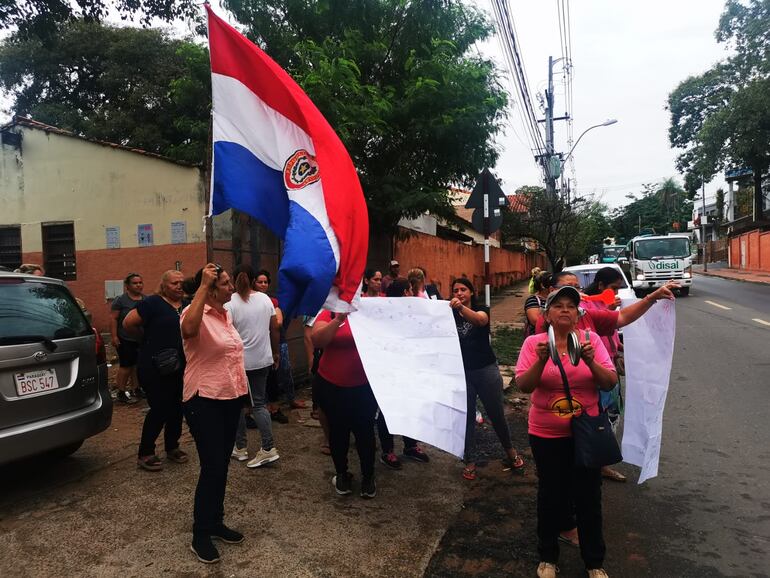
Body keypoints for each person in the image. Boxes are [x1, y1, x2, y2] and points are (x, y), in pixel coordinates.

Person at [514, 286, 618, 578]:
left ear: (578, 314)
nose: (564, 310)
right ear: (546, 315)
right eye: (557, 305)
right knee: (551, 495)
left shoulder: (591, 340)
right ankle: (548, 557)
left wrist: (589, 361)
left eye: (570, 306)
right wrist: (541, 360)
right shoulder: (534, 343)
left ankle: (594, 562)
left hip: (586, 434)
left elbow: (609, 382)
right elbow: (524, 385)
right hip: (546, 434)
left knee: (588, 497)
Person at [181, 264, 249, 564]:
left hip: (228, 397)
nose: (231, 287)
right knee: (212, 466)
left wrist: (241, 394)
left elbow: (231, 358)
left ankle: (215, 521)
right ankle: (200, 533)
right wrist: (201, 288)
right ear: (210, 289)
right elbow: (188, 330)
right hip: (203, 398)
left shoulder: (226, 315)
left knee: (221, 463)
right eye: (225, 283)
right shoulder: (193, 314)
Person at [450, 277, 524, 481]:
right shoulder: (448, 315)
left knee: (496, 413)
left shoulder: (482, 309)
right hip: (462, 373)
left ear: (472, 292)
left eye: (463, 289)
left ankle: (510, 451)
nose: (459, 293)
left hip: (486, 370)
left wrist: (461, 309)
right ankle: (470, 460)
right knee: (466, 418)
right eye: (455, 290)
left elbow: (480, 320)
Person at [123, 270, 188, 472]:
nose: (179, 286)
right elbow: (128, 324)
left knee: (178, 407)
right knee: (160, 408)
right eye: (174, 283)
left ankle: (172, 446)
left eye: (181, 283)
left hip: (181, 365)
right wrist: (146, 340)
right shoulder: (152, 303)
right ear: (164, 285)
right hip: (154, 366)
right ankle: (146, 452)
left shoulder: (187, 305)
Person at [312, 307, 377, 499]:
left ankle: (368, 477)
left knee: (364, 432)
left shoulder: (370, 310)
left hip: (364, 386)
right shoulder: (328, 312)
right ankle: (342, 474)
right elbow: (317, 340)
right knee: (338, 432)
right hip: (332, 385)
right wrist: (339, 319)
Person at [226, 265, 281, 468]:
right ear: (253, 279)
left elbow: (226, 333)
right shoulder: (265, 299)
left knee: (238, 406)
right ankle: (266, 447)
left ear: (233, 278)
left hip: (239, 362)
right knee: (259, 403)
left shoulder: (229, 303)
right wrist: (275, 353)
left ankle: (241, 448)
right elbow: (274, 327)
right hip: (262, 359)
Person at [376, 278, 430, 470]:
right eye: (408, 290)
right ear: (404, 293)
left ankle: (410, 446)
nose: (411, 293)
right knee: (387, 410)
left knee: (411, 407)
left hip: (410, 368)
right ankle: (387, 451)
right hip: (390, 370)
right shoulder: (384, 312)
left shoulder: (414, 311)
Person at [583, 267, 627, 484]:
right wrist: (609, 310)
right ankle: (598, 463)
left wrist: (618, 351)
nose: (616, 294)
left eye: (618, 289)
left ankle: (601, 461)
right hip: (596, 370)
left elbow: (613, 334)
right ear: (600, 286)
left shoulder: (609, 305)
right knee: (598, 418)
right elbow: (589, 337)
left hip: (610, 365)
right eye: (613, 289)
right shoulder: (586, 307)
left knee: (612, 415)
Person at [110, 273, 146, 404]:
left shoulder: (146, 300)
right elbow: (114, 318)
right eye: (135, 283)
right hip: (125, 338)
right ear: (127, 286)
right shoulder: (120, 300)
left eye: (140, 282)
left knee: (137, 365)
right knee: (126, 366)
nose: (138, 285)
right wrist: (114, 336)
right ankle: (121, 391)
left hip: (140, 339)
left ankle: (136, 388)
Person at [525, 271, 551, 337]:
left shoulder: (556, 299)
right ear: (542, 285)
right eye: (550, 282)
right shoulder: (533, 300)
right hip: (539, 338)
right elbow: (535, 321)